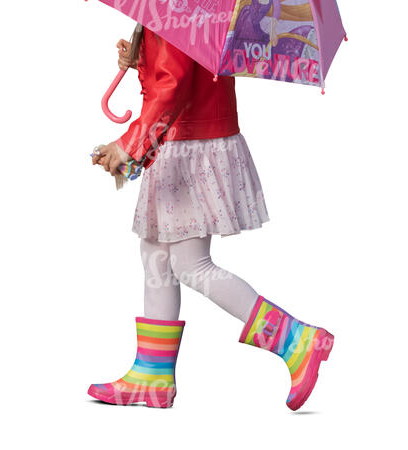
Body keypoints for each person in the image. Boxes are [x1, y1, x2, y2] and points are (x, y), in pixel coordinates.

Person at [88, 25, 334, 410]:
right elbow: (184, 69)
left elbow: (174, 86)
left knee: (190, 264)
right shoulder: (193, 4)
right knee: (156, 255)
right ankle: (152, 373)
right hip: (184, 139)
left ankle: (296, 339)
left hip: (188, 145)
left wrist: (128, 145)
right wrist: (141, 59)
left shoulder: (171, 4)